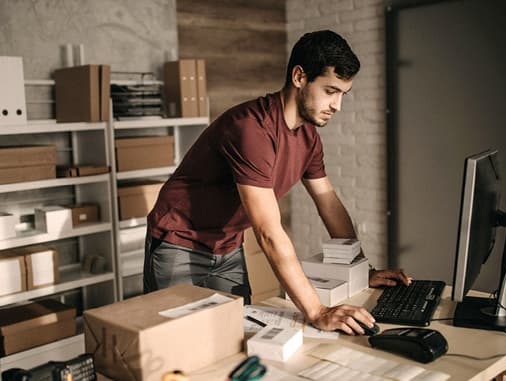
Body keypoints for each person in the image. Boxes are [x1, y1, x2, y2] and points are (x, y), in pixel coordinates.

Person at [144, 30, 411, 335]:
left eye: (342, 94)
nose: (337, 105)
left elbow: (329, 205)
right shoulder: (251, 129)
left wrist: (364, 271)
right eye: (329, 90)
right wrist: (317, 311)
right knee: (179, 346)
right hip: (180, 243)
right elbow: (269, 233)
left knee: (233, 339)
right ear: (299, 77)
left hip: (228, 246)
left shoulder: (309, 138)